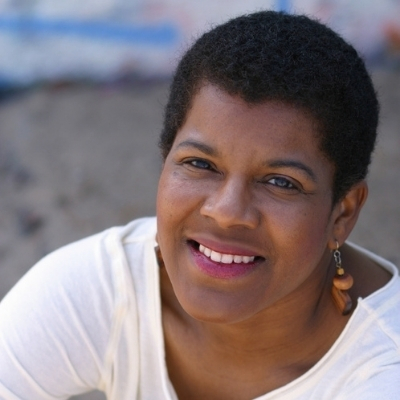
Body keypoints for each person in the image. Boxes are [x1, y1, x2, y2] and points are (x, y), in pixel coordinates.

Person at [0, 10, 399, 400]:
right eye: (200, 164)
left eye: (281, 182)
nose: (226, 211)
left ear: (343, 212)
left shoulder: (383, 372)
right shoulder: (104, 288)